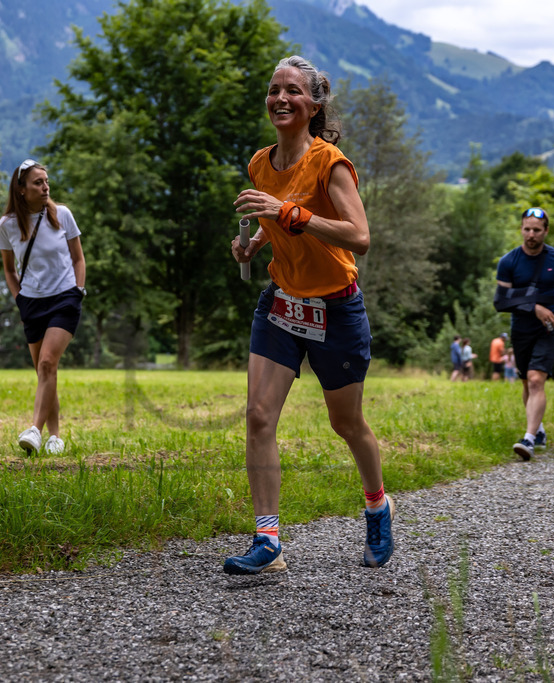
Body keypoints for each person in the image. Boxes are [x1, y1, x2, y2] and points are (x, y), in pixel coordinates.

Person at [227, 55, 392, 575]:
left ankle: (376, 505)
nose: (280, 98)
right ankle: (268, 539)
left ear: (314, 103)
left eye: (292, 91)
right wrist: (254, 244)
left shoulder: (330, 163)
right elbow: (271, 218)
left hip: (335, 307)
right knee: (258, 416)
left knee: (346, 423)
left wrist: (291, 214)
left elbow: (359, 238)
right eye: (274, 89)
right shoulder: (260, 163)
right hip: (281, 302)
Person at [0, 159, 87, 456]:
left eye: (46, 181)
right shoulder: (7, 225)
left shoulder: (62, 215)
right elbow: (9, 270)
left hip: (64, 298)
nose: (45, 186)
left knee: (48, 363)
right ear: (21, 190)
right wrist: (18, 298)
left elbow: (78, 259)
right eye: (38, 182)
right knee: (44, 371)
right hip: (31, 303)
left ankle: (34, 430)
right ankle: (55, 437)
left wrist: (78, 291)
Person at [496, 207, 554, 460]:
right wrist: (534, 307)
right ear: (521, 229)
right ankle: (539, 431)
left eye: (537, 230)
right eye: (527, 229)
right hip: (521, 329)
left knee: (535, 380)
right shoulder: (508, 261)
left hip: (550, 330)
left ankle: (528, 439)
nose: (531, 234)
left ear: (546, 231)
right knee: (525, 383)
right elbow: (500, 301)